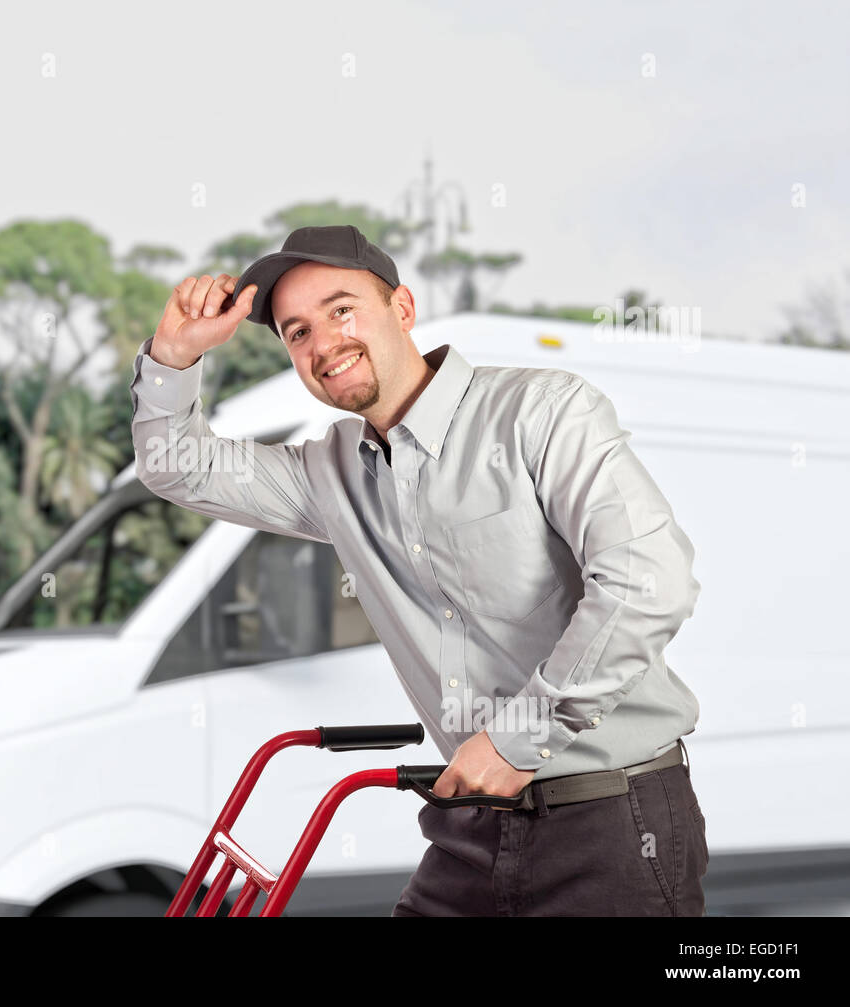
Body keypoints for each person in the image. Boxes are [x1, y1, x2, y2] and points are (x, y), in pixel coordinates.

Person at [129, 224, 709, 916]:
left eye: (342, 309)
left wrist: (520, 734)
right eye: (297, 331)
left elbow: (649, 579)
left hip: (612, 821)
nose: (323, 344)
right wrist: (172, 357)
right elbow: (177, 465)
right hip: (469, 829)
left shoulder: (541, 411)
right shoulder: (329, 473)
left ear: (402, 308)